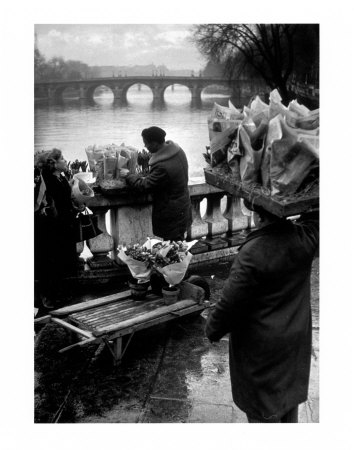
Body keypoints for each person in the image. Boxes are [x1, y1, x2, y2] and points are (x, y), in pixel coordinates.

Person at [205, 200, 319, 423]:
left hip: (262, 355)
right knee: (287, 409)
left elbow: (230, 304)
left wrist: (212, 329)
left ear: (257, 216)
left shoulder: (253, 252)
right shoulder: (305, 238)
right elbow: (317, 217)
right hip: (293, 346)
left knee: (263, 416)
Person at [120, 126, 192, 242]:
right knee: (177, 244)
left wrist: (128, 175)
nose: (145, 147)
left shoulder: (162, 166)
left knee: (173, 248)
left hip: (172, 212)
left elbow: (144, 186)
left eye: (146, 144)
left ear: (154, 143)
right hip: (183, 205)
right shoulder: (178, 151)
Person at [34, 148, 81, 310]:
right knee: (49, 262)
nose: (65, 160)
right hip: (51, 228)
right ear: (53, 163)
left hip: (64, 225)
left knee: (61, 261)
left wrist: (77, 205)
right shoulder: (46, 179)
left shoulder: (60, 177)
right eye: (62, 158)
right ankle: (47, 296)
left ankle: (59, 293)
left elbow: (65, 200)